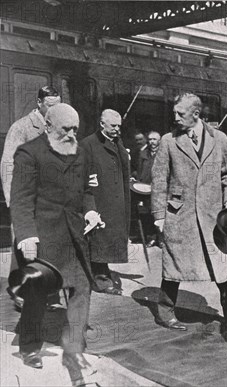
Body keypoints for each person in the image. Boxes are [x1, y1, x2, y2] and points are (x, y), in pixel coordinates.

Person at [10, 103, 102, 383]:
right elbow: (21, 199)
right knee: (38, 295)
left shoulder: (80, 151)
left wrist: (90, 210)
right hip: (43, 235)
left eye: (76, 129)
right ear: (48, 126)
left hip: (74, 234)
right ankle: (29, 347)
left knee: (81, 289)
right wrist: (26, 235)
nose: (72, 134)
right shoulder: (29, 153)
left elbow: (87, 190)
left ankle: (74, 346)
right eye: (66, 129)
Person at [151, 93, 227, 332]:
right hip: (180, 215)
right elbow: (159, 180)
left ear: (196, 114)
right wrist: (159, 215)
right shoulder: (169, 141)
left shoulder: (218, 139)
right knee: (173, 267)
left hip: (213, 216)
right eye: (175, 113)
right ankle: (165, 313)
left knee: (222, 265)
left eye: (181, 113)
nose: (175, 117)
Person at [1, 86, 62, 310]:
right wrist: (12, 200)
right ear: (38, 103)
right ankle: (20, 291)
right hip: (26, 199)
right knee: (22, 247)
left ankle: (44, 293)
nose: (54, 111)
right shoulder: (22, 127)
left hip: (48, 200)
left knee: (45, 246)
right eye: (50, 106)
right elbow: (8, 164)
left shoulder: (56, 127)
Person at [80, 109, 131, 295]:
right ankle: (101, 280)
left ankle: (102, 275)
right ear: (102, 124)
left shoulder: (118, 143)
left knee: (109, 239)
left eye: (119, 126)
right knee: (99, 240)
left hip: (116, 199)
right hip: (99, 198)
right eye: (113, 126)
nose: (117, 129)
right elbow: (82, 175)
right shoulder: (88, 145)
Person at [136, 130, 161, 247]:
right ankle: (151, 238)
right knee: (146, 214)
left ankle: (161, 238)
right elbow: (139, 170)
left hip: (159, 188)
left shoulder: (162, 154)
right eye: (150, 139)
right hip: (145, 188)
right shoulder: (143, 154)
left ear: (159, 141)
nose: (152, 142)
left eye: (154, 139)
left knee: (158, 213)